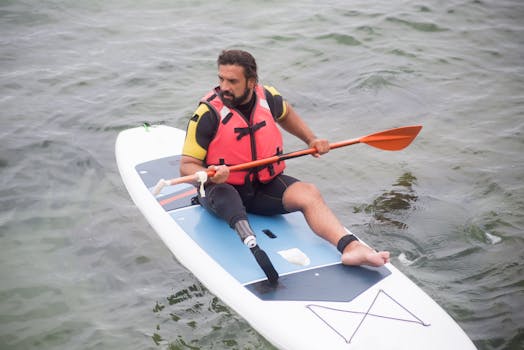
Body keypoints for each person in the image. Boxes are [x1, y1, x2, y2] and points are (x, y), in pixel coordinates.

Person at [180, 49, 390, 269]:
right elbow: (186, 166)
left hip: (264, 187)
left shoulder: (268, 98)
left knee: (309, 193)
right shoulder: (207, 114)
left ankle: (352, 248)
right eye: (221, 79)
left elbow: (286, 114)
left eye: (232, 81)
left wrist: (311, 139)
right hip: (222, 190)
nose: (224, 87)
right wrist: (211, 172)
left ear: (251, 82)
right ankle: (250, 245)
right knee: (228, 197)